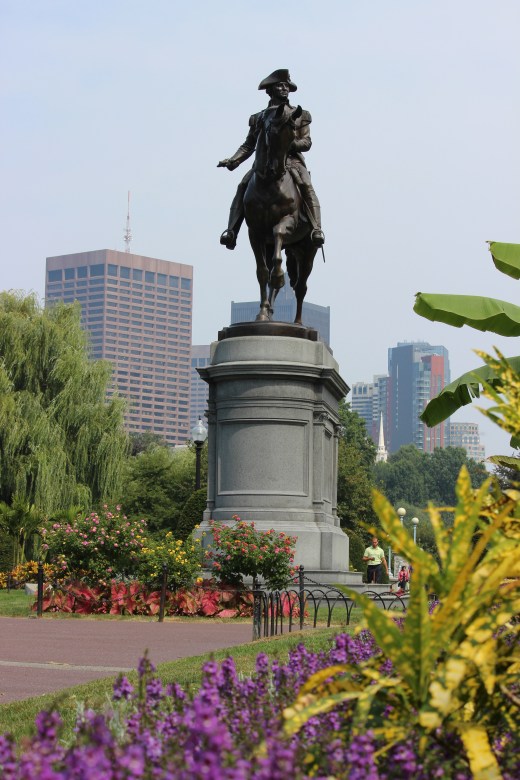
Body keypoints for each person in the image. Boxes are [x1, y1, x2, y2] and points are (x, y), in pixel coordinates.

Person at [218, 68, 325, 250]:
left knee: (306, 184)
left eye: (286, 86)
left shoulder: (299, 114)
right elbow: (249, 144)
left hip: (292, 162)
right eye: (279, 85)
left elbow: (306, 142)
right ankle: (231, 231)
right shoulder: (259, 117)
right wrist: (233, 160)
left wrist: (289, 144)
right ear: (270, 90)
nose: (284, 88)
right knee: (243, 185)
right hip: (264, 164)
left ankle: (316, 229)